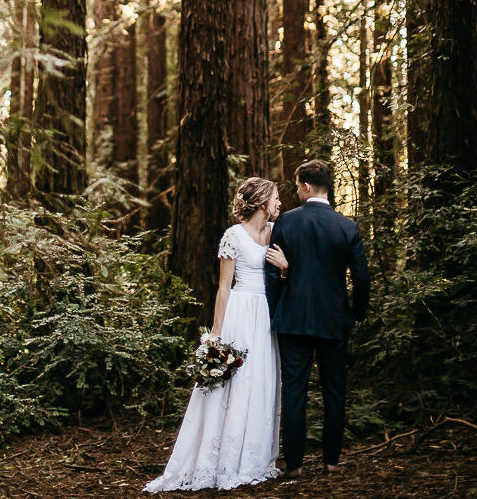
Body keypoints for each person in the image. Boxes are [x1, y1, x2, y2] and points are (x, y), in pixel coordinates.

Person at [144, 177, 289, 492]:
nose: (280, 203)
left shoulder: (278, 232)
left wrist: (285, 267)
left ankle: (255, 459)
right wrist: (217, 335)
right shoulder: (233, 236)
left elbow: (287, 277)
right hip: (240, 312)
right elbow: (223, 287)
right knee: (235, 382)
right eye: (276, 198)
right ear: (263, 203)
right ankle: (221, 460)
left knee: (262, 382)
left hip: (266, 315)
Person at [265, 159, 370, 479]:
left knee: (293, 391)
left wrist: (274, 312)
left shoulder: (286, 222)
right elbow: (362, 279)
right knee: (335, 391)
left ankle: (294, 465)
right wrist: (357, 313)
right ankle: (331, 462)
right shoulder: (346, 226)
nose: (295, 191)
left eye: (296, 186)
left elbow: (272, 272)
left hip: (293, 319)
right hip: (334, 320)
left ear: (307, 187)